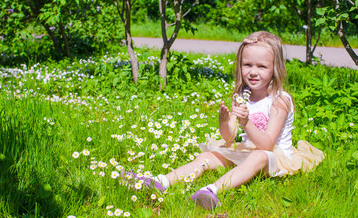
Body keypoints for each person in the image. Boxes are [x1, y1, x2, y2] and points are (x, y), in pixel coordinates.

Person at [122, 31, 325, 210]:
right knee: (210, 156)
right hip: (248, 149)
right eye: (247, 64)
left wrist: (247, 122)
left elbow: (266, 144)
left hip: (273, 158)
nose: (253, 71)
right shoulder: (242, 94)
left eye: (262, 66)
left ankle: (211, 190)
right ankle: (160, 181)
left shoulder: (280, 100)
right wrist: (224, 121)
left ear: (275, 68)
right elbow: (230, 137)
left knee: (258, 156)